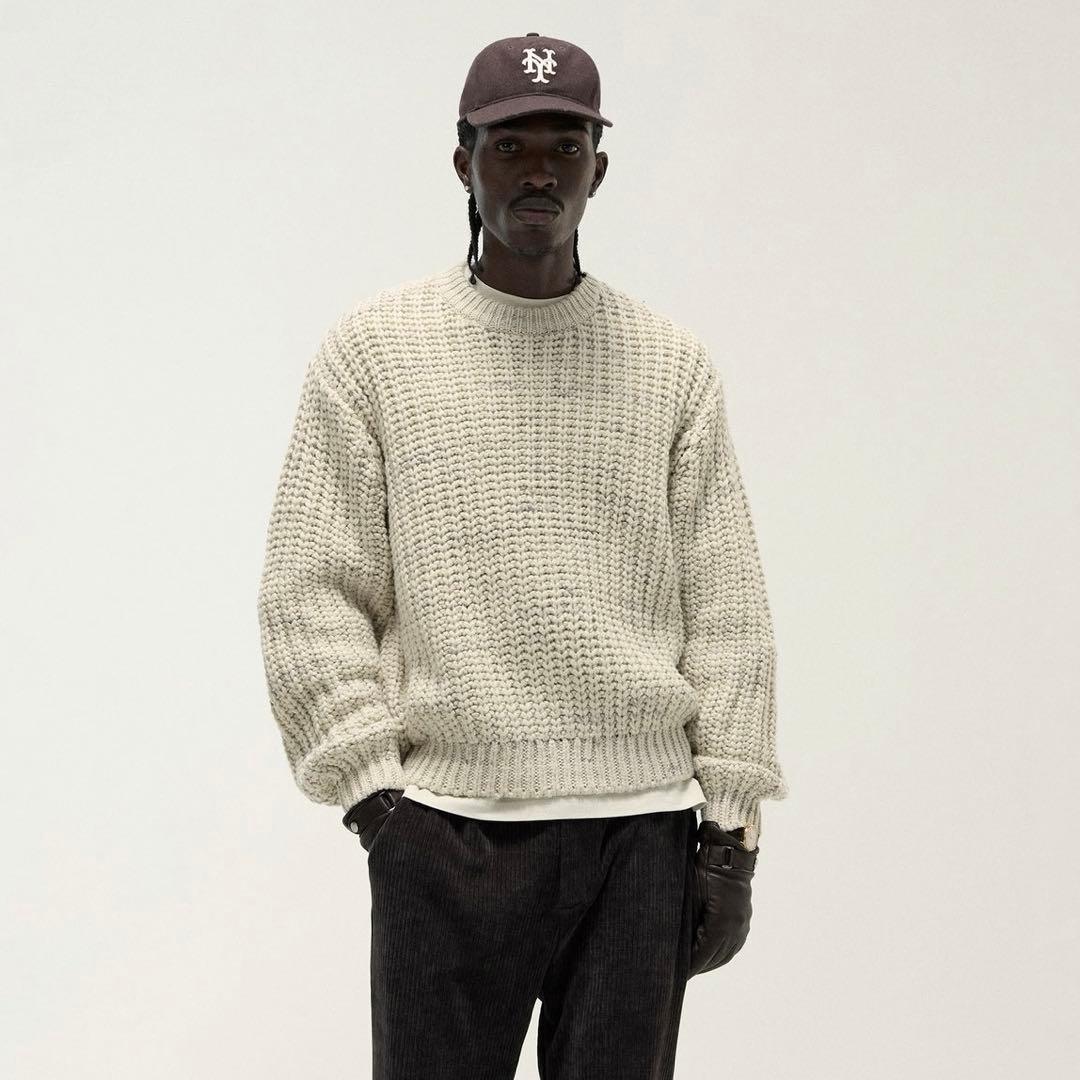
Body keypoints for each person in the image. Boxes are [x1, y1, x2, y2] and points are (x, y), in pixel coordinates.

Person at [256, 31, 788, 1080]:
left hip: (641, 833)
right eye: (509, 147)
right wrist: (375, 799)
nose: (538, 171)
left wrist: (729, 839)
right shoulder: (374, 355)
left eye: (564, 146)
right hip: (446, 829)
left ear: (599, 167)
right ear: (463, 162)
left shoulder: (671, 367)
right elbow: (310, 586)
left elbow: (727, 607)